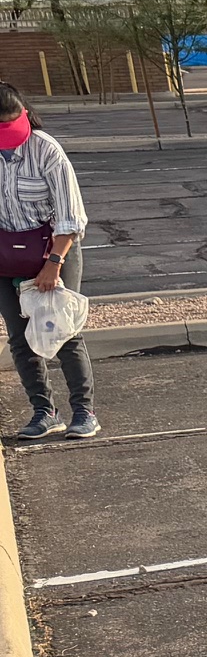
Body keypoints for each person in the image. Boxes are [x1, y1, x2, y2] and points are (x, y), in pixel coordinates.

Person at [0, 85, 96, 439]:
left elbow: (71, 217)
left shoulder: (46, 150)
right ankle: (44, 411)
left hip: (53, 250)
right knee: (20, 338)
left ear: (24, 114)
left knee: (62, 332)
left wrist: (53, 264)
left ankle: (84, 412)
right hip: (5, 255)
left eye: (13, 126)